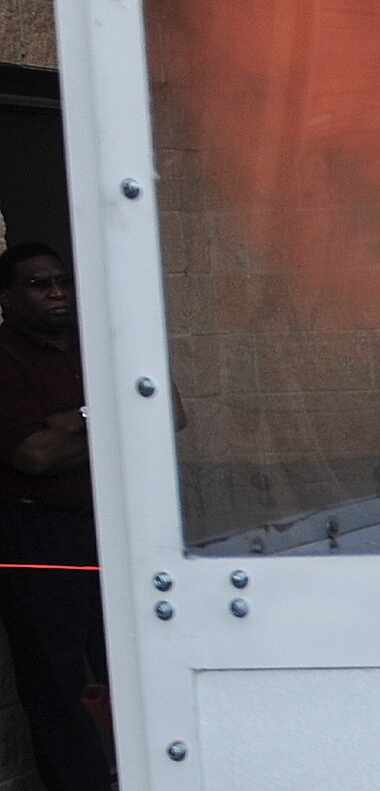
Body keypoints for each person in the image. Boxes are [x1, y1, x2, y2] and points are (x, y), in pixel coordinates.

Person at [0, 243, 112, 791]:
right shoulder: (5, 356)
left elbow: (170, 411)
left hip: (113, 529)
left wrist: (80, 418)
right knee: (56, 682)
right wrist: (113, 417)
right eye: (38, 284)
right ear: (6, 298)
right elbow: (36, 455)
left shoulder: (101, 343)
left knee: (129, 664)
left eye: (62, 281)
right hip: (39, 536)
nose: (56, 292)